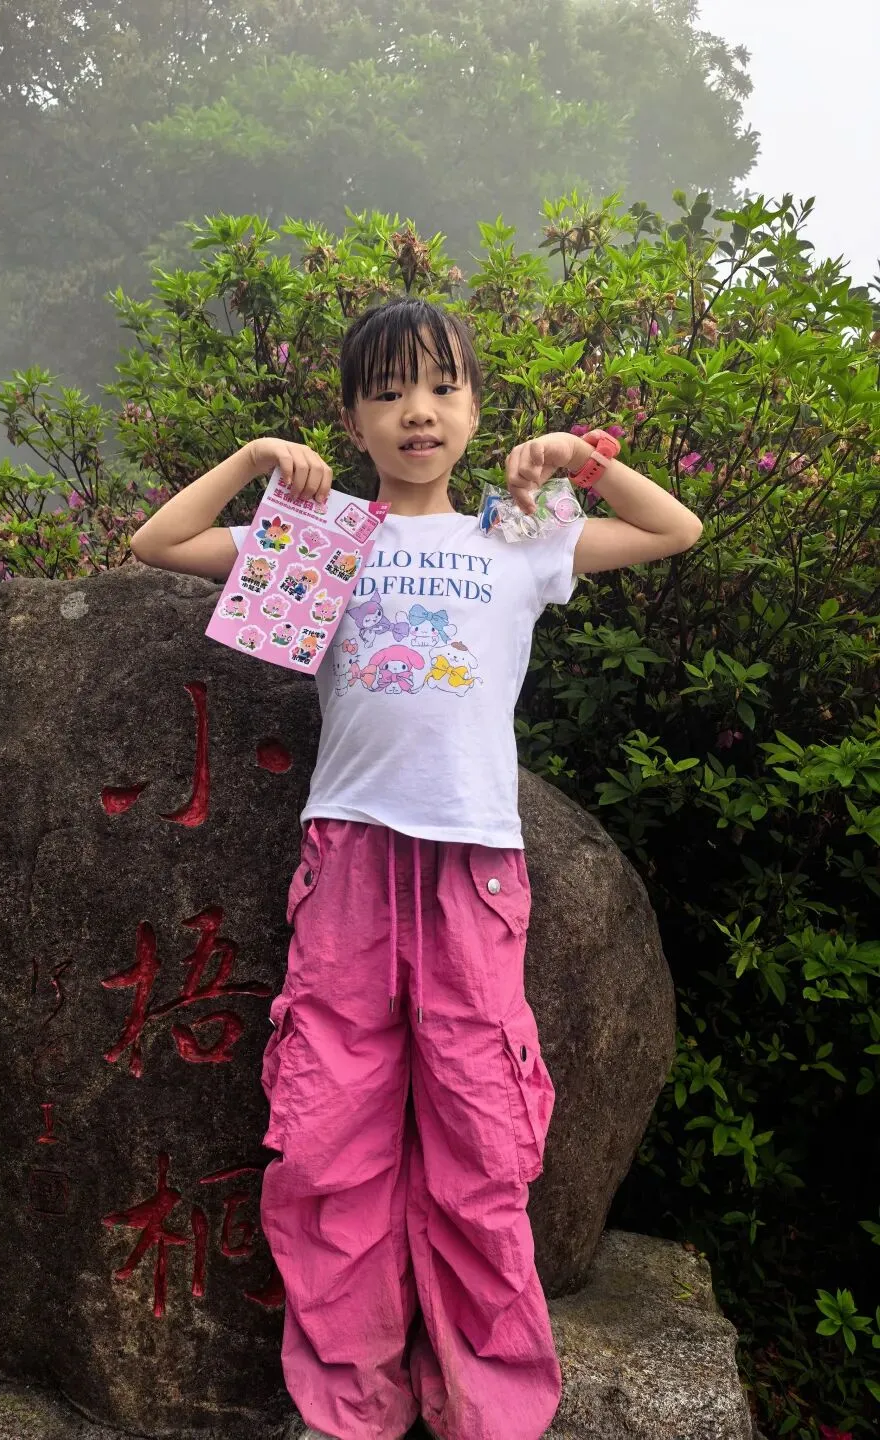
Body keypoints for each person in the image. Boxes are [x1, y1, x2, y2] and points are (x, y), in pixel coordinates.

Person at [129, 296, 703, 1440]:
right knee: (326, 1138)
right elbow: (159, 545)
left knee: (479, 1138)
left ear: (477, 410)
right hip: (347, 857)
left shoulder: (516, 535)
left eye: (442, 387)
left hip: (474, 864)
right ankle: (354, 1403)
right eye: (388, 393)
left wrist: (580, 462)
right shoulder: (326, 535)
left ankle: (487, 1405)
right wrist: (255, 461)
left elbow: (674, 528)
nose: (418, 412)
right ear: (353, 421)